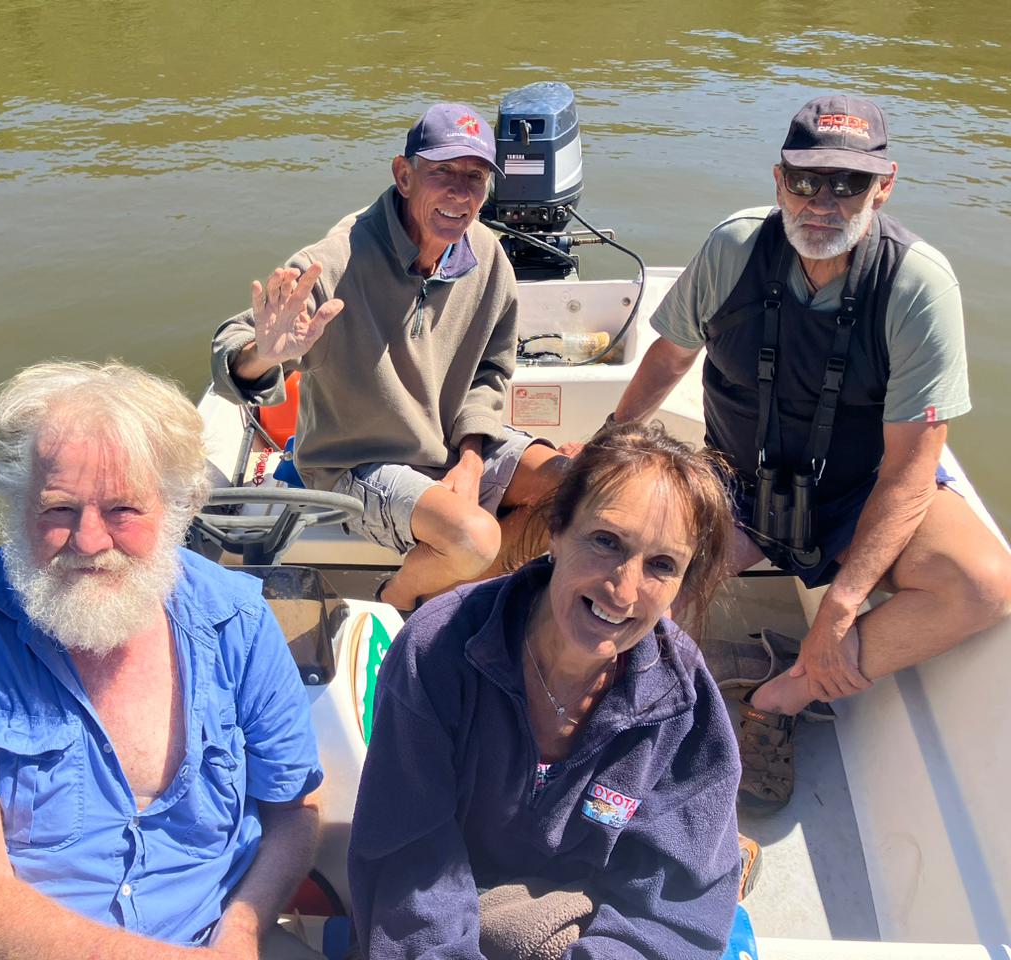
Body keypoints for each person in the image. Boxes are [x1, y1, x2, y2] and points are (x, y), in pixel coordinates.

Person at [612, 93, 1011, 809]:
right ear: (779, 179)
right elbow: (669, 358)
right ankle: (661, 691)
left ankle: (780, 696)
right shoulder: (734, 249)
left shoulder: (917, 285)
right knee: (628, 581)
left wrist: (843, 605)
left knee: (983, 585)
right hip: (735, 483)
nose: (823, 202)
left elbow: (912, 468)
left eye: (848, 183)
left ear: (883, 186)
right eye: (805, 180)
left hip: (859, 496)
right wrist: (608, 445)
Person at [0, 361, 324, 960]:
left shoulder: (238, 621)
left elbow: (295, 810)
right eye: (59, 509)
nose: (89, 541)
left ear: (175, 508)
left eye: (123, 510)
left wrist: (241, 933)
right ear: (16, 507)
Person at [347, 421, 743, 960]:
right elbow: (407, 862)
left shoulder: (684, 703)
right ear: (556, 529)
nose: (623, 590)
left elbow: (672, 912)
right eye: (606, 541)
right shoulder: (435, 650)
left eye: (661, 565)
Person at [210, 102, 569, 613]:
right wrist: (264, 355)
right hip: (356, 462)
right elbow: (231, 354)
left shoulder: (488, 256)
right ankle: (402, 596)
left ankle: (451, 595)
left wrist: (471, 459)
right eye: (442, 171)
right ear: (404, 175)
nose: (460, 193)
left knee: (582, 488)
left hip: (449, 445)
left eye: (475, 177)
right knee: (475, 538)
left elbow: (490, 371)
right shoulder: (332, 263)